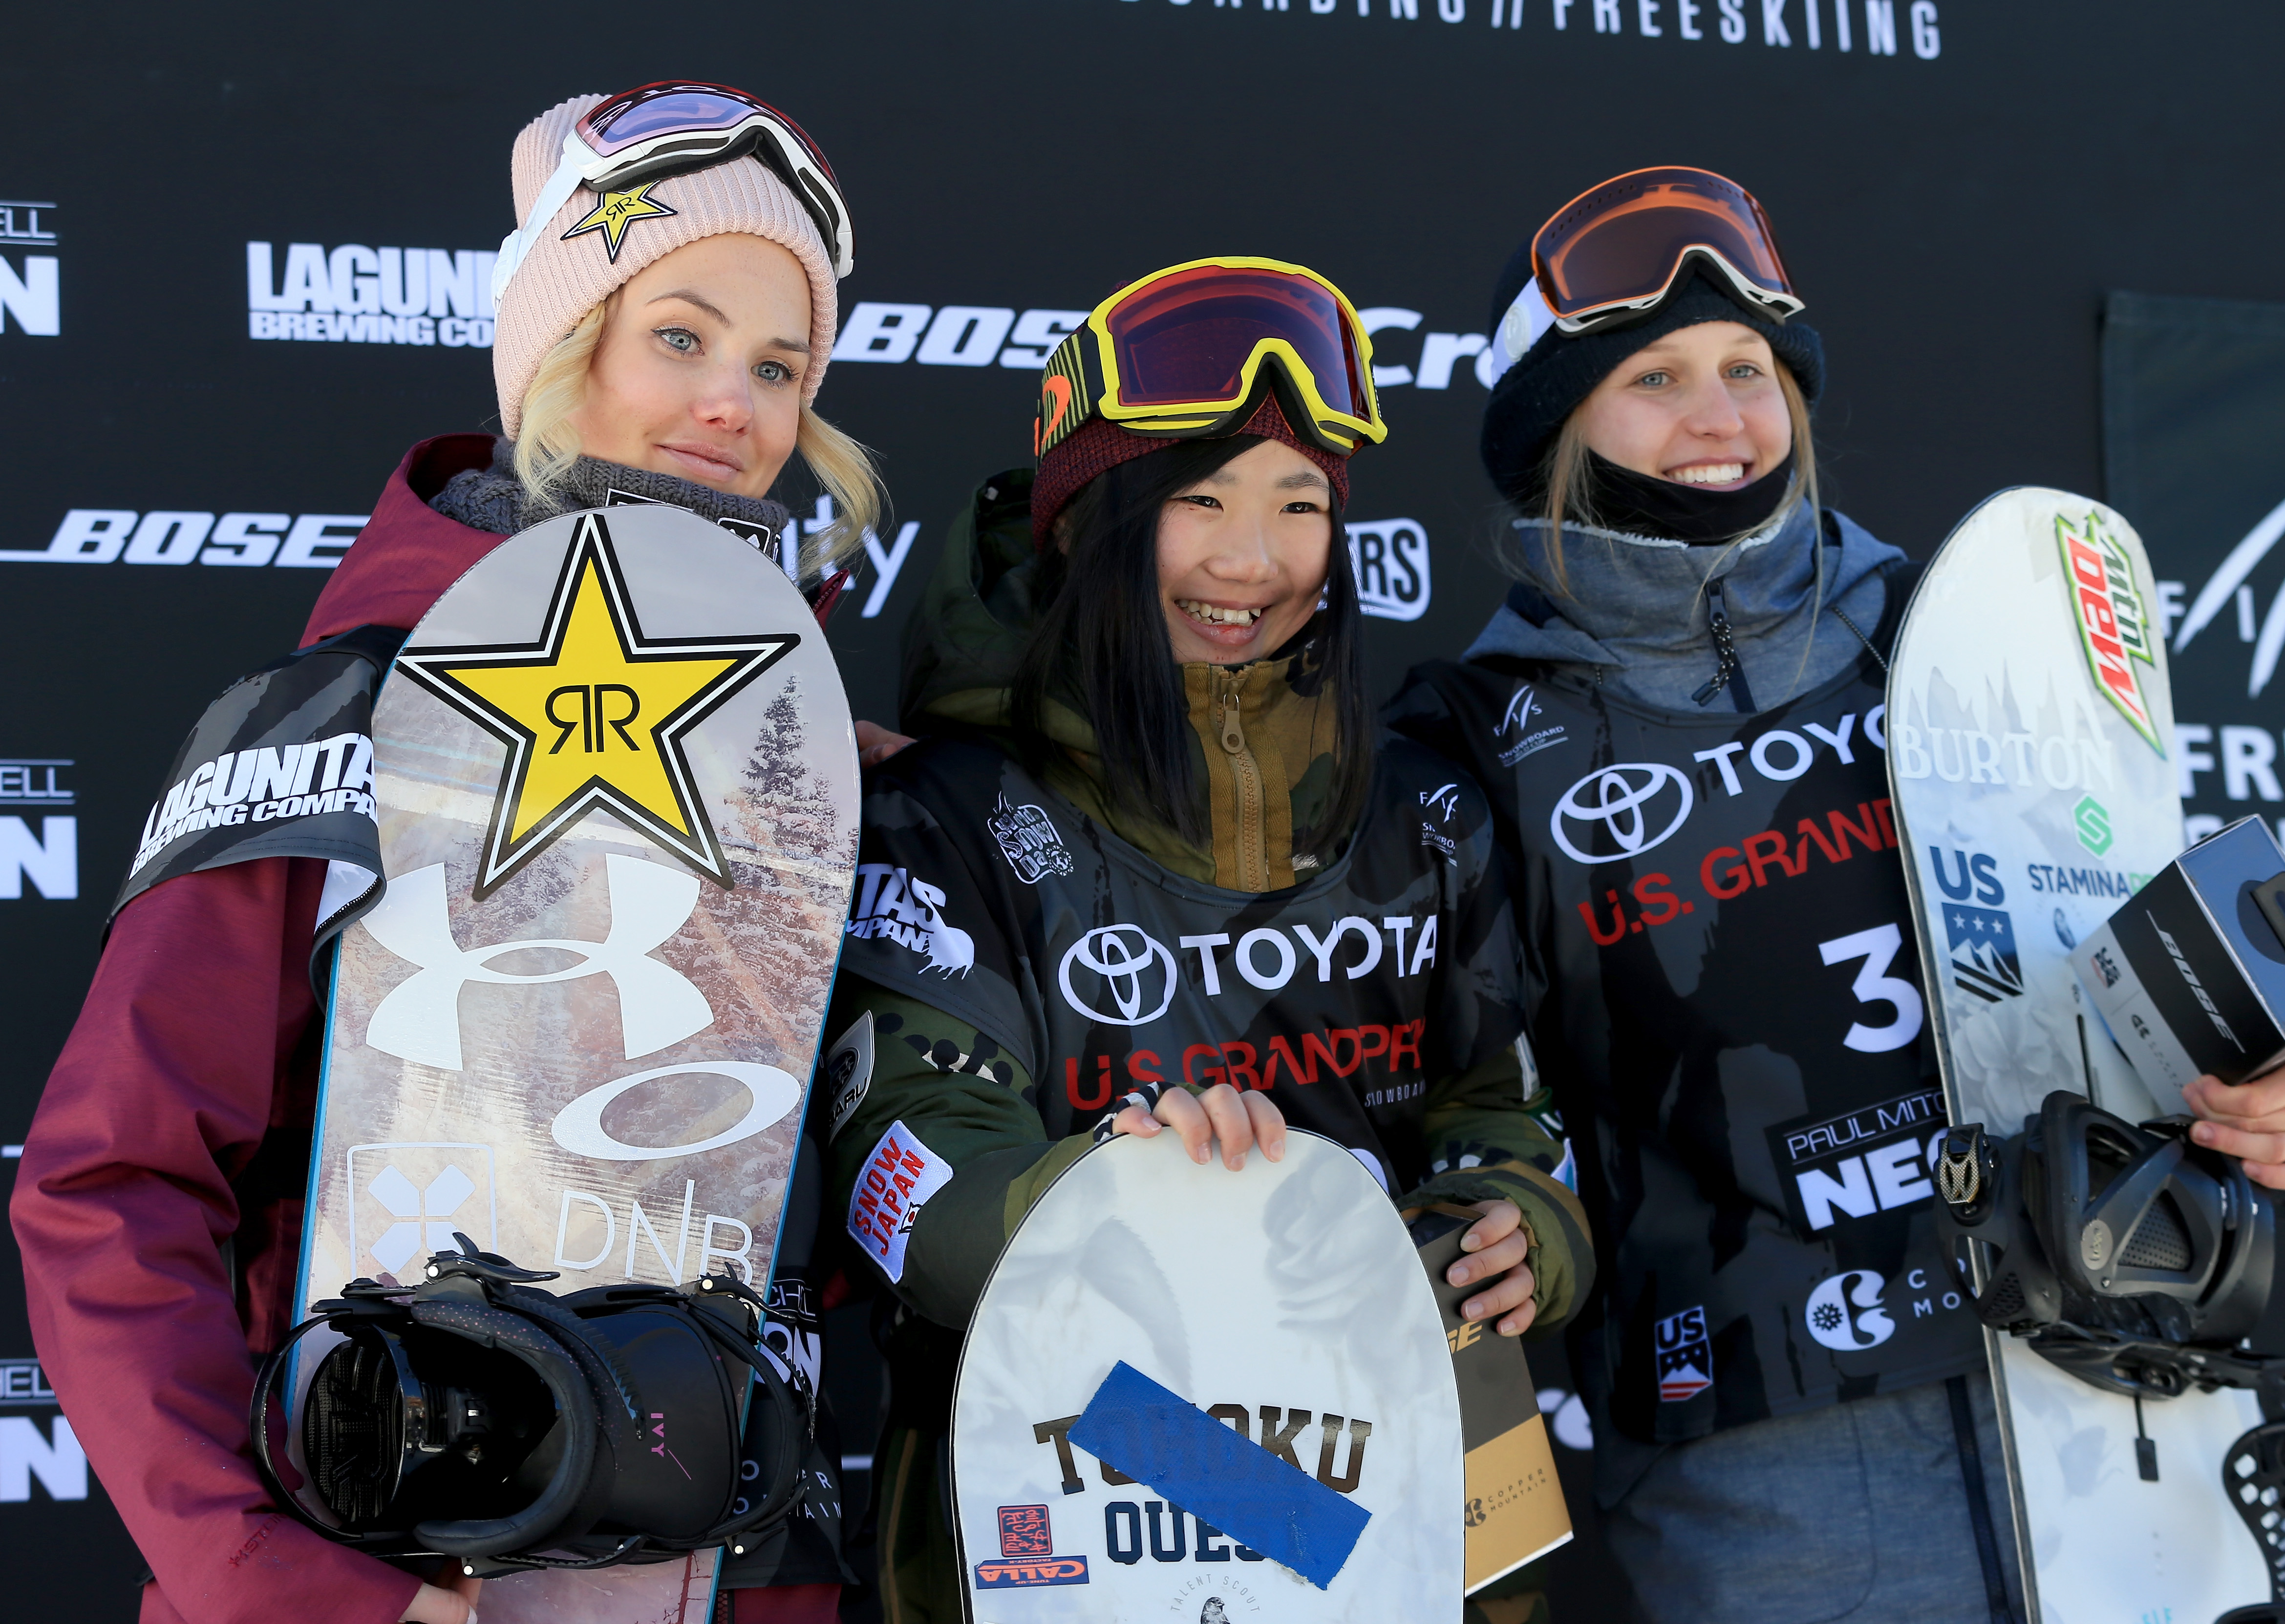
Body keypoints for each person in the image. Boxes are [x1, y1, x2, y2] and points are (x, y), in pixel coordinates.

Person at [1383, 167, 2285, 1624]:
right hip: (1775, 1466)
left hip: (2118, 1388)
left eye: (1749, 370)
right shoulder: (1471, 736)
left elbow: (2181, 929)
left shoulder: (1968, 625)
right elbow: (1453, 1097)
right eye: (1654, 378)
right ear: (1556, 425)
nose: (1720, 417)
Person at [10, 83, 885, 1624]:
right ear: (560, 347)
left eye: (777, 367)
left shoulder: (814, 765)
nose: (731, 406)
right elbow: (112, 1185)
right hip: (398, 1575)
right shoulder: (337, 716)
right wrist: (292, 1589)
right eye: (678, 337)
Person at [816, 257, 1591, 1624]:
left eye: (1300, 505)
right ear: (1088, 524)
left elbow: (1497, 1107)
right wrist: (1127, 1205)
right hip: (1094, 1468)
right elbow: (909, 1179)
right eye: (1202, 501)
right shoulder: (950, 814)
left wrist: (1516, 1226)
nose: (1253, 561)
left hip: (1418, 1478)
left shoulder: (1419, 809)